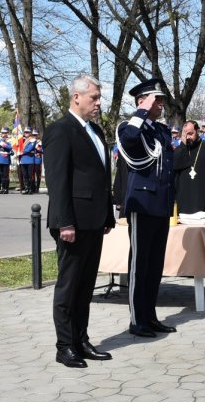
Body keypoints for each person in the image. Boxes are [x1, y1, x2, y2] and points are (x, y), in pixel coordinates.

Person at [44, 75, 116, 368]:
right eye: (94, 98)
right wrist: (65, 223)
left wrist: (108, 215)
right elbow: (58, 181)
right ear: (76, 97)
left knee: (86, 286)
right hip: (72, 222)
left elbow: (100, 179)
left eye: (99, 98)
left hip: (94, 220)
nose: (98, 103)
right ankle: (64, 346)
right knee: (69, 286)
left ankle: (81, 339)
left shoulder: (95, 131)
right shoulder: (61, 130)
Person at [117, 78, 177, 337]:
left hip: (161, 203)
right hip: (141, 203)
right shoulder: (129, 126)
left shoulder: (161, 131)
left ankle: (149, 315)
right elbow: (130, 138)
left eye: (161, 100)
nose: (161, 104)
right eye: (156, 99)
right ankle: (136, 320)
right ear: (142, 101)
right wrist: (141, 111)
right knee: (139, 264)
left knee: (154, 264)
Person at [174, 120, 205, 214]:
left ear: (197, 131)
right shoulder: (180, 150)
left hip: (203, 196)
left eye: (190, 133)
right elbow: (174, 167)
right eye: (185, 134)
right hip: (183, 198)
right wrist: (182, 145)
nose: (187, 137)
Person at [0, 128, 13, 193]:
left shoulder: (9, 140)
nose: (3, 134)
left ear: (7, 133)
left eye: (5, 133)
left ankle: (6, 188)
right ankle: (2, 188)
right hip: (0, 159)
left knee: (5, 175)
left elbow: (10, 147)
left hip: (5, 159)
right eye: (2, 133)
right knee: (1, 175)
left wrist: (3, 144)